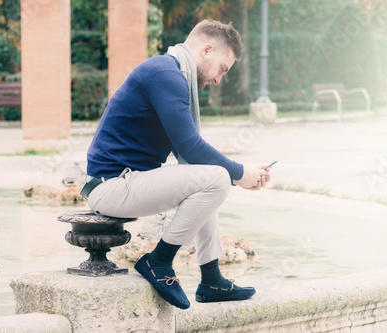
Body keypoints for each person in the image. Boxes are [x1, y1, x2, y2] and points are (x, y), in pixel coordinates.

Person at [80, 20, 271, 310]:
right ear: (206, 50)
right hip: (113, 187)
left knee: (210, 178)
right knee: (216, 178)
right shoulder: (164, 75)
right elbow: (190, 147)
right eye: (222, 68)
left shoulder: (170, 74)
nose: (219, 79)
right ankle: (159, 261)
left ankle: (211, 280)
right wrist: (240, 173)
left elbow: (193, 152)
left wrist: (237, 172)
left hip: (129, 181)